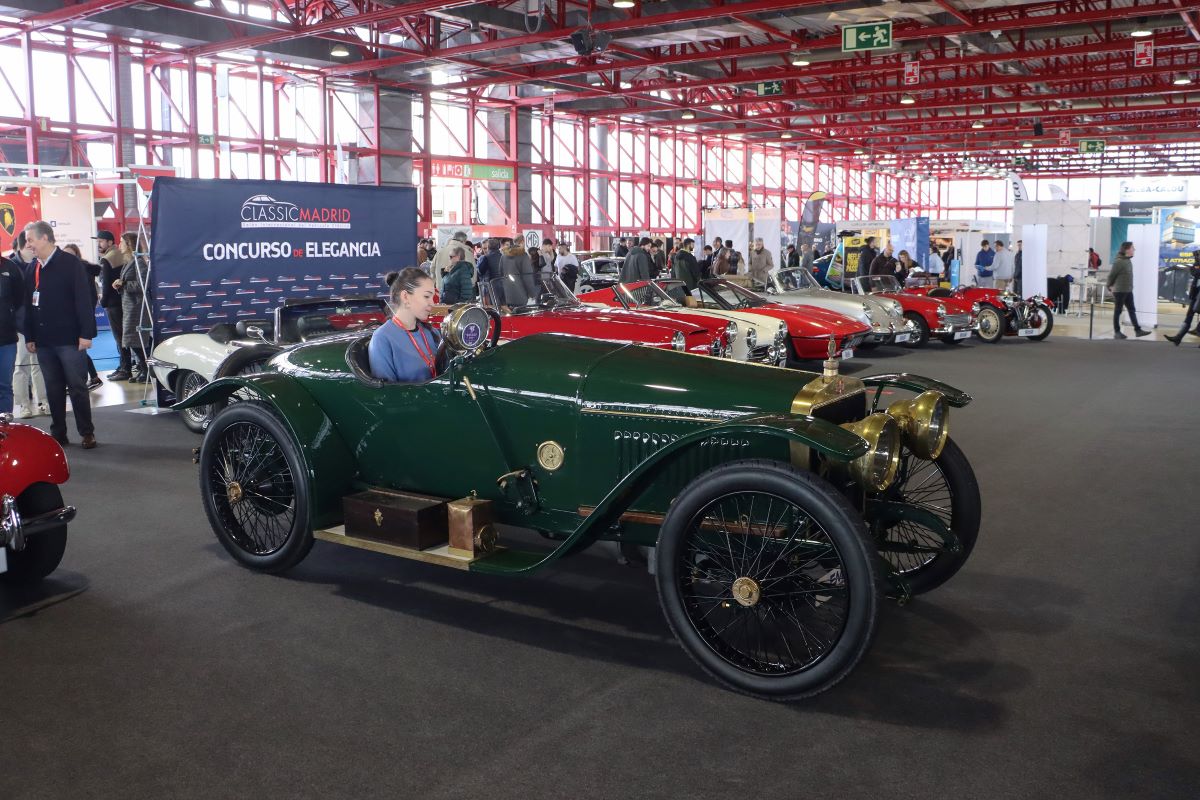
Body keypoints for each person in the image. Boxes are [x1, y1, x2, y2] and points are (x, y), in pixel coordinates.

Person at [21, 221, 98, 449]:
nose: (28, 245)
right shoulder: (31, 268)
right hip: (44, 342)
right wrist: (30, 336)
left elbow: (84, 301)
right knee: (53, 388)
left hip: (70, 339)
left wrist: (86, 334)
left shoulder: (71, 264)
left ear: (45, 238)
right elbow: (28, 305)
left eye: (31, 240)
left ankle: (87, 432)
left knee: (77, 387)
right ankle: (59, 433)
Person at [369, 268, 441, 383]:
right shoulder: (382, 338)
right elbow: (386, 394)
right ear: (405, 297)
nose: (432, 303)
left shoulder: (432, 332)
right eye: (427, 296)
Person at [9, 232, 49, 419]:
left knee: (39, 365)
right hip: (19, 327)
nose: (34, 247)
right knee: (21, 366)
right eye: (30, 243)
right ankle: (24, 404)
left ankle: (43, 401)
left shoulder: (39, 265)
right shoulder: (11, 267)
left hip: (39, 324)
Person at [61, 243, 102, 390]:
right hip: (72, 319)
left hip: (79, 320)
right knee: (76, 350)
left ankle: (85, 379)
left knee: (76, 350)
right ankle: (92, 377)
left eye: (70, 254)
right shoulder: (68, 270)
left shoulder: (82, 271)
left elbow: (89, 298)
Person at [113, 233, 152, 382]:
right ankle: (144, 370)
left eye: (121, 242)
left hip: (138, 308)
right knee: (133, 341)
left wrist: (123, 284)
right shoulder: (130, 262)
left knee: (135, 341)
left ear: (129, 244)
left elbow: (143, 285)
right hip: (130, 306)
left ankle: (146, 370)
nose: (119, 245)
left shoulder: (139, 262)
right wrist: (120, 285)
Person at [95, 229, 132, 381]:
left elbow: (106, 285)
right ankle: (125, 365)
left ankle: (125, 368)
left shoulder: (107, 259)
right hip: (123, 301)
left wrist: (102, 303)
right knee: (125, 336)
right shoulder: (123, 256)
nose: (99, 244)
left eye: (101, 241)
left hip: (113, 304)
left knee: (119, 337)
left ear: (110, 242)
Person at [1106, 241, 1150, 339]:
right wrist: (1109, 286)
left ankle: (1138, 330)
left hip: (1127, 290)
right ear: (1127, 250)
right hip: (1120, 291)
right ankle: (1117, 332)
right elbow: (1111, 275)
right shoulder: (1119, 262)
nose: (1134, 249)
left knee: (1131, 310)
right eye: (1132, 248)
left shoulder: (1127, 260)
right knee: (1118, 311)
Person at [0, 254, 24, 414]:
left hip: (6, 338)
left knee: (4, 386)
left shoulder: (10, 267)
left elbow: (20, 299)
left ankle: (4, 432)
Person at [1165, 250, 1200, 346]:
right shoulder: (1196, 264)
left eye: (1197, 256)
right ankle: (1178, 337)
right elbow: (1195, 272)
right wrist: (1195, 266)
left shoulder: (1197, 265)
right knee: (1189, 316)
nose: (1196, 258)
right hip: (1196, 294)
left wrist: (1195, 267)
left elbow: (1195, 272)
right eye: (1196, 256)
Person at [499, 240, 537, 306]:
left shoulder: (503, 256)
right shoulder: (523, 256)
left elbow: (500, 273)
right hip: (520, 295)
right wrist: (532, 294)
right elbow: (527, 277)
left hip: (507, 295)